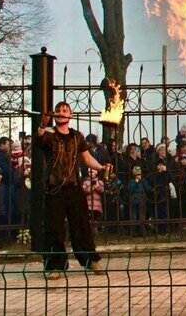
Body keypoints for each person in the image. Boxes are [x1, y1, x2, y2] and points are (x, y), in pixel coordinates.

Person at [38, 102, 111, 279]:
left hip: (74, 187)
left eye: (65, 111)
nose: (62, 113)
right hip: (54, 188)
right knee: (54, 227)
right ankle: (55, 266)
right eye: (59, 111)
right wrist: (43, 124)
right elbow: (40, 139)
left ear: (70, 115)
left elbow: (86, 158)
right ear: (55, 115)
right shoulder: (49, 134)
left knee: (81, 225)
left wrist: (101, 168)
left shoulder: (77, 136)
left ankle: (90, 260)